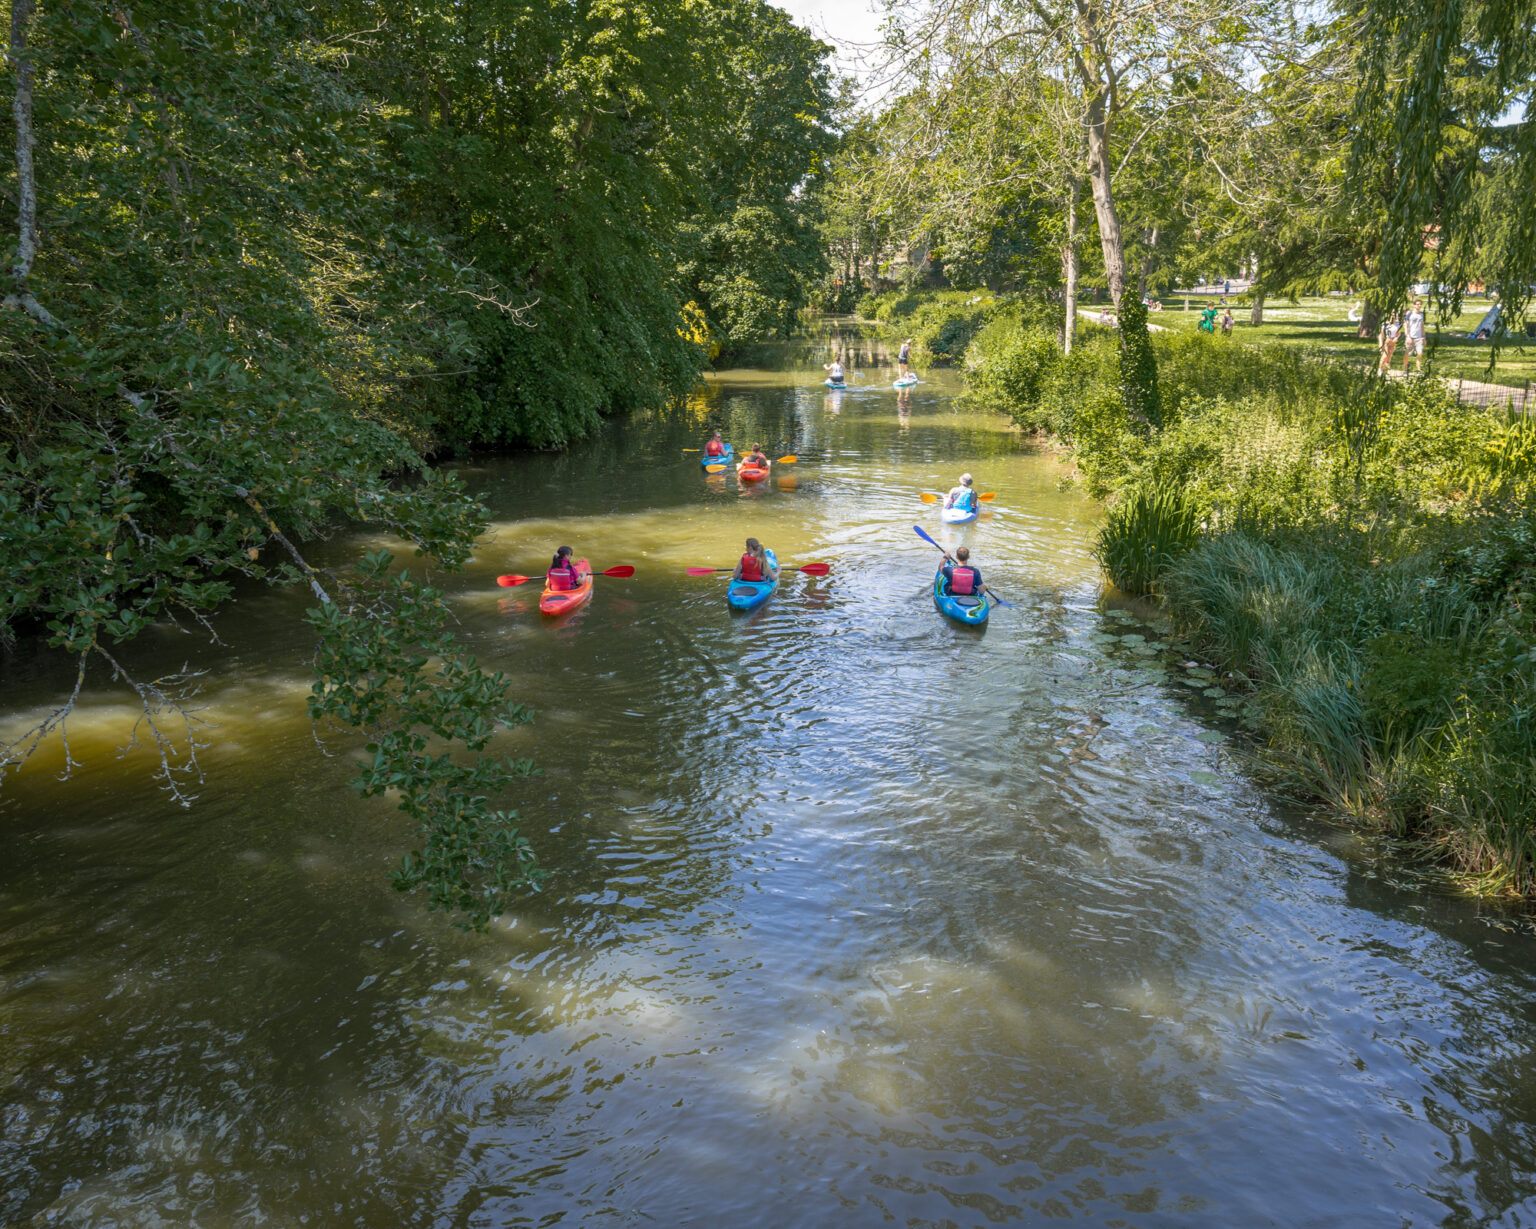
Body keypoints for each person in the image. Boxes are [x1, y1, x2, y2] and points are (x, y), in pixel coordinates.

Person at [1402, 298, 1427, 373]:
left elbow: (1422, 327)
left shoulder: (1421, 315)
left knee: (1420, 353)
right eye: (1417, 304)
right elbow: (1406, 326)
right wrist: (1408, 336)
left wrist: (1424, 337)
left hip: (1419, 338)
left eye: (1420, 304)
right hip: (1411, 337)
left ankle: (1418, 370)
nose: (1419, 305)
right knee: (1407, 354)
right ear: (1414, 305)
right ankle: (1405, 369)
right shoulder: (1410, 314)